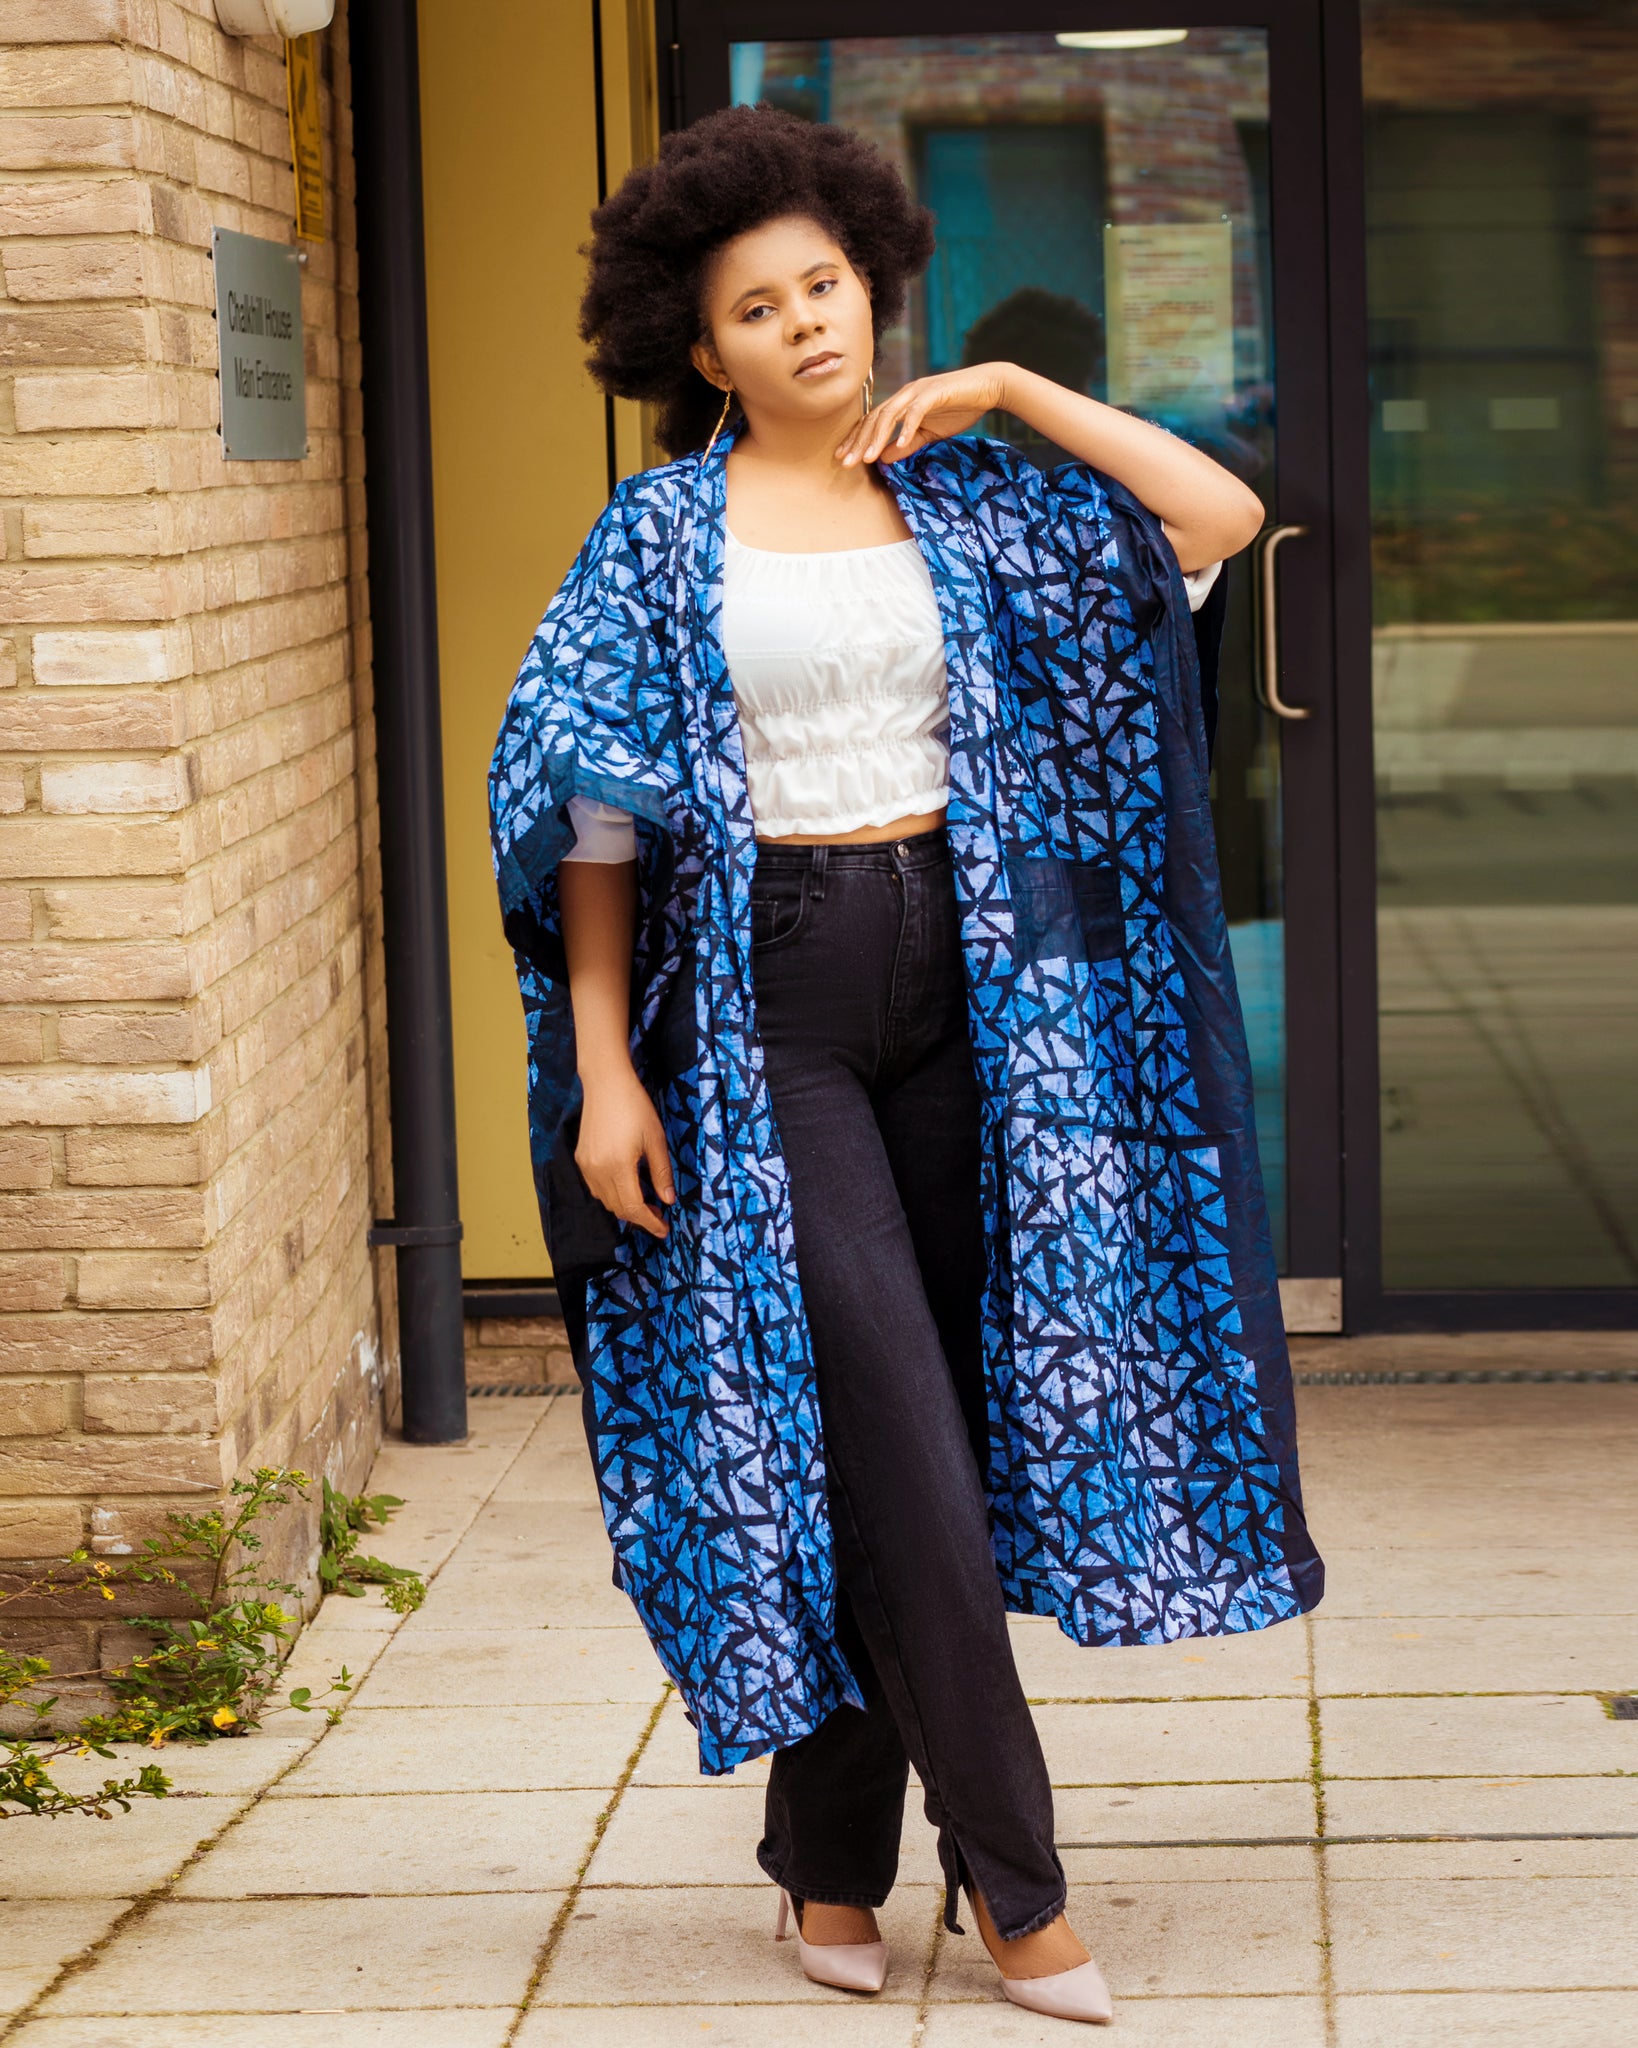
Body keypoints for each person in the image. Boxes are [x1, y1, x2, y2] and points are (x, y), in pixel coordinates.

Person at [490, 104, 1323, 2027]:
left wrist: (1017, 388)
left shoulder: (980, 498)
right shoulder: (658, 535)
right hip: (765, 1013)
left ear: (872, 288)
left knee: (913, 1432)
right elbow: (588, 817)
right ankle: (1021, 1891)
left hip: (982, 1006)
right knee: (898, 1446)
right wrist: (608, 1072)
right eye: (756, 307)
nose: (806, 323)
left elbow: (1211, 521)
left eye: (827, 285)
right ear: (699, 350)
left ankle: (824, 1861)